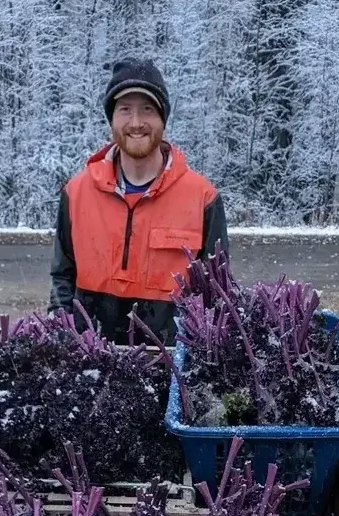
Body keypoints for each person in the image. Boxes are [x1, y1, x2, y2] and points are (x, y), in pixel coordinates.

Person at [50, 58, 228, 343]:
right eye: (125, 110)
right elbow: (62, 278)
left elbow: (216, 295)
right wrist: (62, 332)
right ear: (112, 119)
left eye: (147, 109)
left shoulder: (203, 198)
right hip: (89, 366)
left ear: (162, 119)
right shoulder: (76, 193)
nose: (136, 122)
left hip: (170, 369)